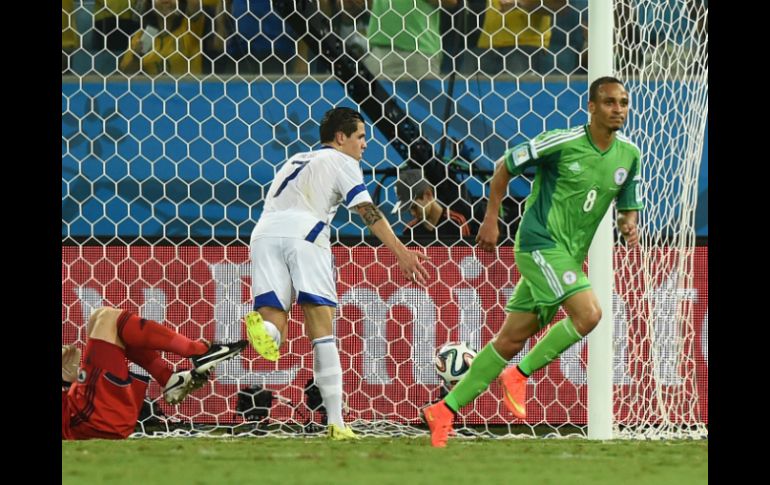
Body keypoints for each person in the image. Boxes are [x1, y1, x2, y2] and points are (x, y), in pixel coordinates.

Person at [422, 76, 644, 447]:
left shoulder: (629, 155)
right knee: (588, 314)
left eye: (622, 102)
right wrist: (491, 218)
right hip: (538, 244)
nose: (617, 109)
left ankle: (444, 410)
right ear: (591, 107)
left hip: (567, 255)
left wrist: (629, 226)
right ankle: (519, 376)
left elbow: (626, 207)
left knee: (509, 339)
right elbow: (505, 166)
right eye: (609, 102)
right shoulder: (562, 142)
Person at [244, 107, 431, 440]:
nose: (364, 145)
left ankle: (265, 330)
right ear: (341, 137)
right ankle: (336, 422)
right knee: (322, 329)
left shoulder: (295, 159)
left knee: (274, 329)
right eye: (360, 136)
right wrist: (400, 252)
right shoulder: (343, 162)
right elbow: (366, 210)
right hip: (306, 234)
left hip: (263, 235)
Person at [62, 306, 247, 440]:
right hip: (91, 419)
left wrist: (67, 380)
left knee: (99, 317)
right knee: (108, 319)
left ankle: (169, 378)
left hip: (85, 415)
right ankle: (198, 351)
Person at [363, 0, 458, 81]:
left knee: (417, 102)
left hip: (418, 53)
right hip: (378, 51)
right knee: (373, 101)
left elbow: (451, 1)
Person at [119, 0, 205, 76]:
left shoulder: (189, 28)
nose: (166, 1)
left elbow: (195, 3)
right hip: (153, 92)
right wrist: (136, 57)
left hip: (189, 91)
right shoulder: (144, 36)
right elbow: (126, 77)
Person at [391, 169, 470, 240]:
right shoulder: (410, 230)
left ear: (428, 195)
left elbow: (465, 254)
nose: (412, 213)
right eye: (409, 209)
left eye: (414, 207)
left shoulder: (456, 222)